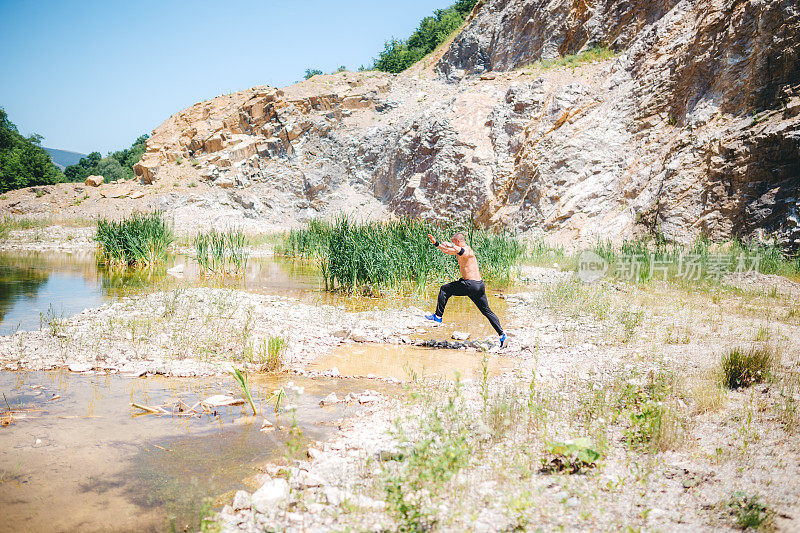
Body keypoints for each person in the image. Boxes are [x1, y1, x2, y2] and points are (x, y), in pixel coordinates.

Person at [425, 232, 507, 347]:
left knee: (444, 289)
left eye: (454, 242)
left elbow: (462, 251)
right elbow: (446, 250)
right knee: (486, 311)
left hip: (471, 284)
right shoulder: (459, 250)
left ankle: (438, 317)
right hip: (478, 285)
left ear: (458, 242)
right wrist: (436, 243)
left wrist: (451, 244)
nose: (453, 244)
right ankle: (502, 335)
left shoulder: (468, 250)